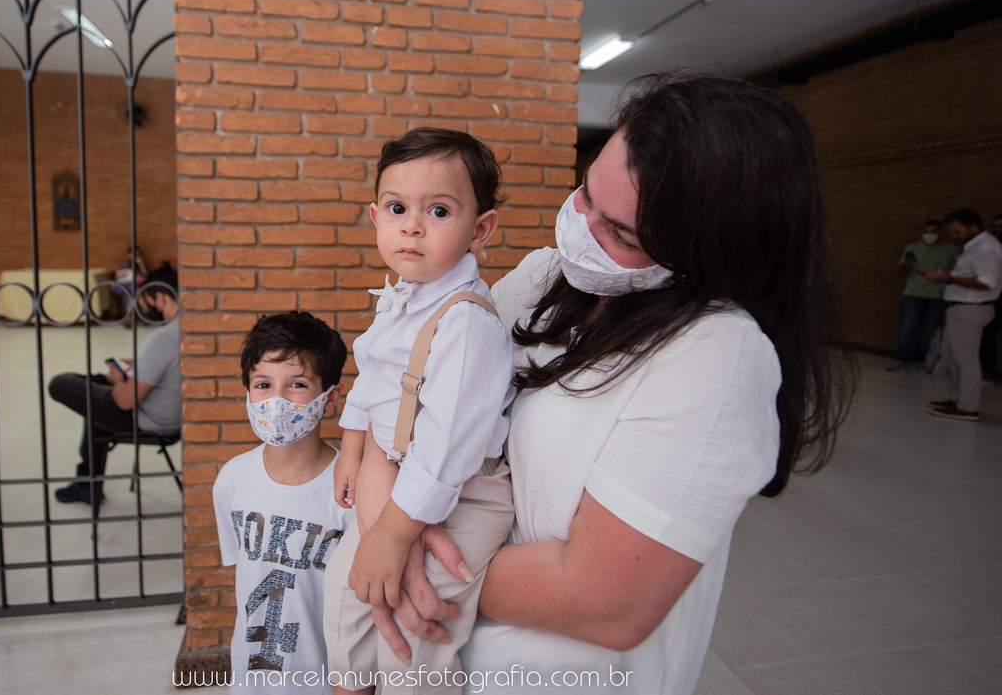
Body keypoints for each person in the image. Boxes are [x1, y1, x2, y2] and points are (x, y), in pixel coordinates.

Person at [372, 75, 856, 695]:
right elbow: (416, 403)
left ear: (711, 251)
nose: (582, 230)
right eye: (585, 196)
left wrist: (403, 549)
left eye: (623, 234)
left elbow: (604, 600)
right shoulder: (542, 276)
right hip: (442, 646)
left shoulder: (716, 356)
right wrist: (384, 516)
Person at [324, 128, 514, 695]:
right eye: (397, 207)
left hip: (463, 491)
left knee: (415, 634)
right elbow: (371, 378)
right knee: (343, 593)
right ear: (376, 215)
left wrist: (392, 535)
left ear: (479, 230)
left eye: (438, 210)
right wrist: (352, 449)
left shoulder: (467, 322)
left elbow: (450, 444)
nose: (411, 225)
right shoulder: (402, 297)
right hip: (397, 482)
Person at [213, 312, 352, 692]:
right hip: (251, 680)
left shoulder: (351, 489)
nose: (276, 400)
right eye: (263, 384)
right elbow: (245, 577)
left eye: (297, 384)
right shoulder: (232, 480)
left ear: (330, 399)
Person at [50, 262, 182, 504]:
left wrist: (120, 381)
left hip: (147, 419)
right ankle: (87, 484)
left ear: (160, 297)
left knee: (61, 383)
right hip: (172, 416)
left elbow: (123, 402)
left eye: (147, 303)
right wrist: (144, 367)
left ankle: (87, 485)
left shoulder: (163, 338)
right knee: (94, 407)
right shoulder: (193, 331)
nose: (147, 309)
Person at [925, 208, 1002, 421]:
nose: (954, 236)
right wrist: (949, 277)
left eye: (957, 231)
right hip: (960, 308)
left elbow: (988, 282)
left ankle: (968, 407)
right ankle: (959, 399)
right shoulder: (973, 247)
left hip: (971, 308)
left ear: (973, 227)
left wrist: (948, 279)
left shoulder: (986, 248)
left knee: (965, 359)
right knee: (950, 354)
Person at [887, 219, 957, 371]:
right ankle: (900, 358)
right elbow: (901, 273)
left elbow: (957, 271)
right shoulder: (912, 248)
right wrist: (907, 263)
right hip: (913, 294)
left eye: (933, 232)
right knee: (907, 327)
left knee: (927, 329)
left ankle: (918, 359)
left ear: (940, 233)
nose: (929, 235)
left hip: (936, 296)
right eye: (926, 232)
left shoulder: (950, 249)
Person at [980, 213, 1002, 382]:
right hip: (992, 298)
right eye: (995, 226)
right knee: (988, 333)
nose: (997, 229)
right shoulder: (990, 247)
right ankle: (986, 370)